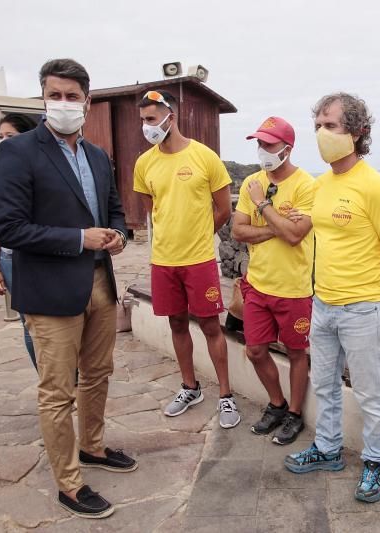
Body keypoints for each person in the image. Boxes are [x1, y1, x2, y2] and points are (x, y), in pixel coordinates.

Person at [0, 58, 137, 519]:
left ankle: (93, 446)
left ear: (87, 102)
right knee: (58, 390)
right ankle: (69, 484)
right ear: (43, 98)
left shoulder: (96, 156)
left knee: (98, 374)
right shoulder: (19, 152)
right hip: (51, 289)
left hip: (99, 282)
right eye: (55, 95)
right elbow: (9, 227)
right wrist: (78, 239)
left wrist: (117, 235)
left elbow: (114, 210)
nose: (64, 104)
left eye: (73, 96)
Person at [284, 93, 380, 503]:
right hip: (323, 305)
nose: (322, 134)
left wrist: (379, 297)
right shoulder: (321, 186)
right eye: (318, 126)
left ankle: (377, 461)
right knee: (324, 385)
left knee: (370, 391)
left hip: (362, 308)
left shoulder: (374, 187)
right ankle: (327, 449)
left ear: (358, 132)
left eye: (332, 126)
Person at [132, 90, 239, 428]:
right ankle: (190, 387)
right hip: (163, 262)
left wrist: (197, 235)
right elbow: (153, 212)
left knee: (210, 326)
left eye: (151, 119)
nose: (147, 127)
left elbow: (223, 210)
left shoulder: (205, 157)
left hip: (200, 260)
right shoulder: (144, 163)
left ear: (170, 117)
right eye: (143, 121)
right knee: (177, 323)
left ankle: (225, 396)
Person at [232, 116, 315, 445]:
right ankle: (277, 404)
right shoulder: (251, 181)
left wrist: (263, 205)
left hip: (294, 288)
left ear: (287, 148)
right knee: (255, 350)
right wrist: (276, 227)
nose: (262, 149)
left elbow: (295, 236)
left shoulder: (307, 185)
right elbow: (238, 231)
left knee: (297, 353)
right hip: (258, 285)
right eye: (259, 143)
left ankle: (294, 413)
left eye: (268, 143)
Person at [0, 113, 38, 370]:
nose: (4, 142)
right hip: (13, 258)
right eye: (1, 137)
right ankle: (48, 379)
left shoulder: (45, 170)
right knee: (30, 322)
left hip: (46, 254)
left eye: (10, 136)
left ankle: (71, 376)